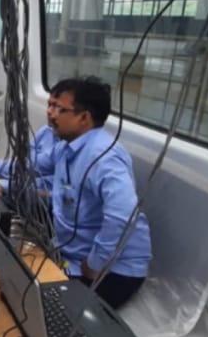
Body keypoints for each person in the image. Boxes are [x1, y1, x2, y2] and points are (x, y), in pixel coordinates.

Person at [46, 77, 152, 308]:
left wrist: (96, 262)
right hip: (76, 253)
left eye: (59, 109)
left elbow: (123, 214)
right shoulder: (67, 147)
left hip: (115, 268)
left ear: (84, 117)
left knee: (55, 313)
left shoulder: (104, 156)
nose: (50, 114)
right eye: (49, 105)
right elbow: (32, 165)